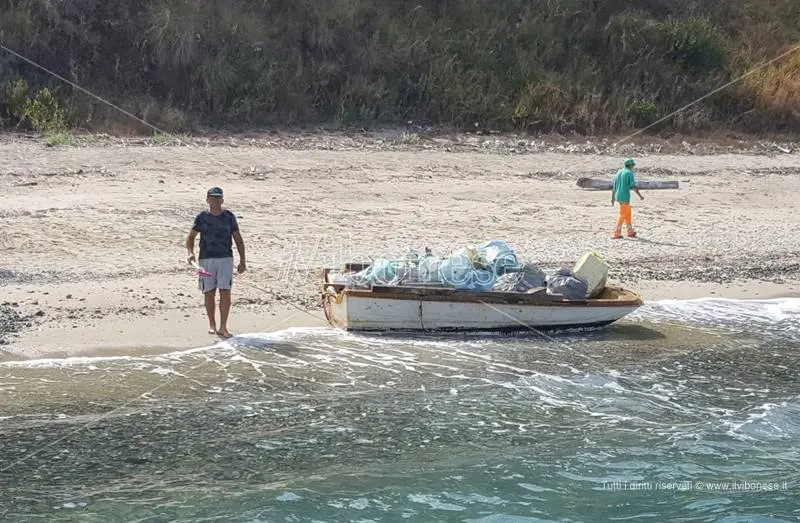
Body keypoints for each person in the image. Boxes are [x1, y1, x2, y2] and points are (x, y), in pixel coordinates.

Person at [186, 187, 246, 338]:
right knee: (209, 292)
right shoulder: (202, 217)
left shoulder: (229, 217)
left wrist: (242, 260)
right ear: (207, 199)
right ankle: (212, 324)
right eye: (213, 198)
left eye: (218, 198)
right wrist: (190, 253)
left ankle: (223, 327)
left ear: (222, 200)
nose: (216, 201)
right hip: (206, 259)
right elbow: (191, 237)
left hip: (226, 258)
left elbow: (238, 239)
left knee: (225, 291)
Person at [611, 158, 644, 239]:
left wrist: (612, 198)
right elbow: (633, 186)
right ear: (630, 165)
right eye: (633, 165)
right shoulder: (629, 173)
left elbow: (614, 186)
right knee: (622, 214)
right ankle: (617, 233)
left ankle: (630, 231)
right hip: (624, 196)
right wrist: (640, 195)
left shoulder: (619, 172)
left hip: (618, 195)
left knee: (627, 212)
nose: (633, 166)